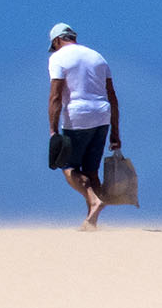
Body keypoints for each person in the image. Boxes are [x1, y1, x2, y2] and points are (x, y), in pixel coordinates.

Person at [47, 22, 121, 230]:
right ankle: (91, 222)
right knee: (91, 171)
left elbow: (55, 97)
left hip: (77, 117)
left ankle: (94, 200)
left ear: (57, 40)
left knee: (67, 167)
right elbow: (113, 97)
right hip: (102, 115)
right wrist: (115, 132)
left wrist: (53, 131)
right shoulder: (98, 57)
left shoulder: (58, 58)